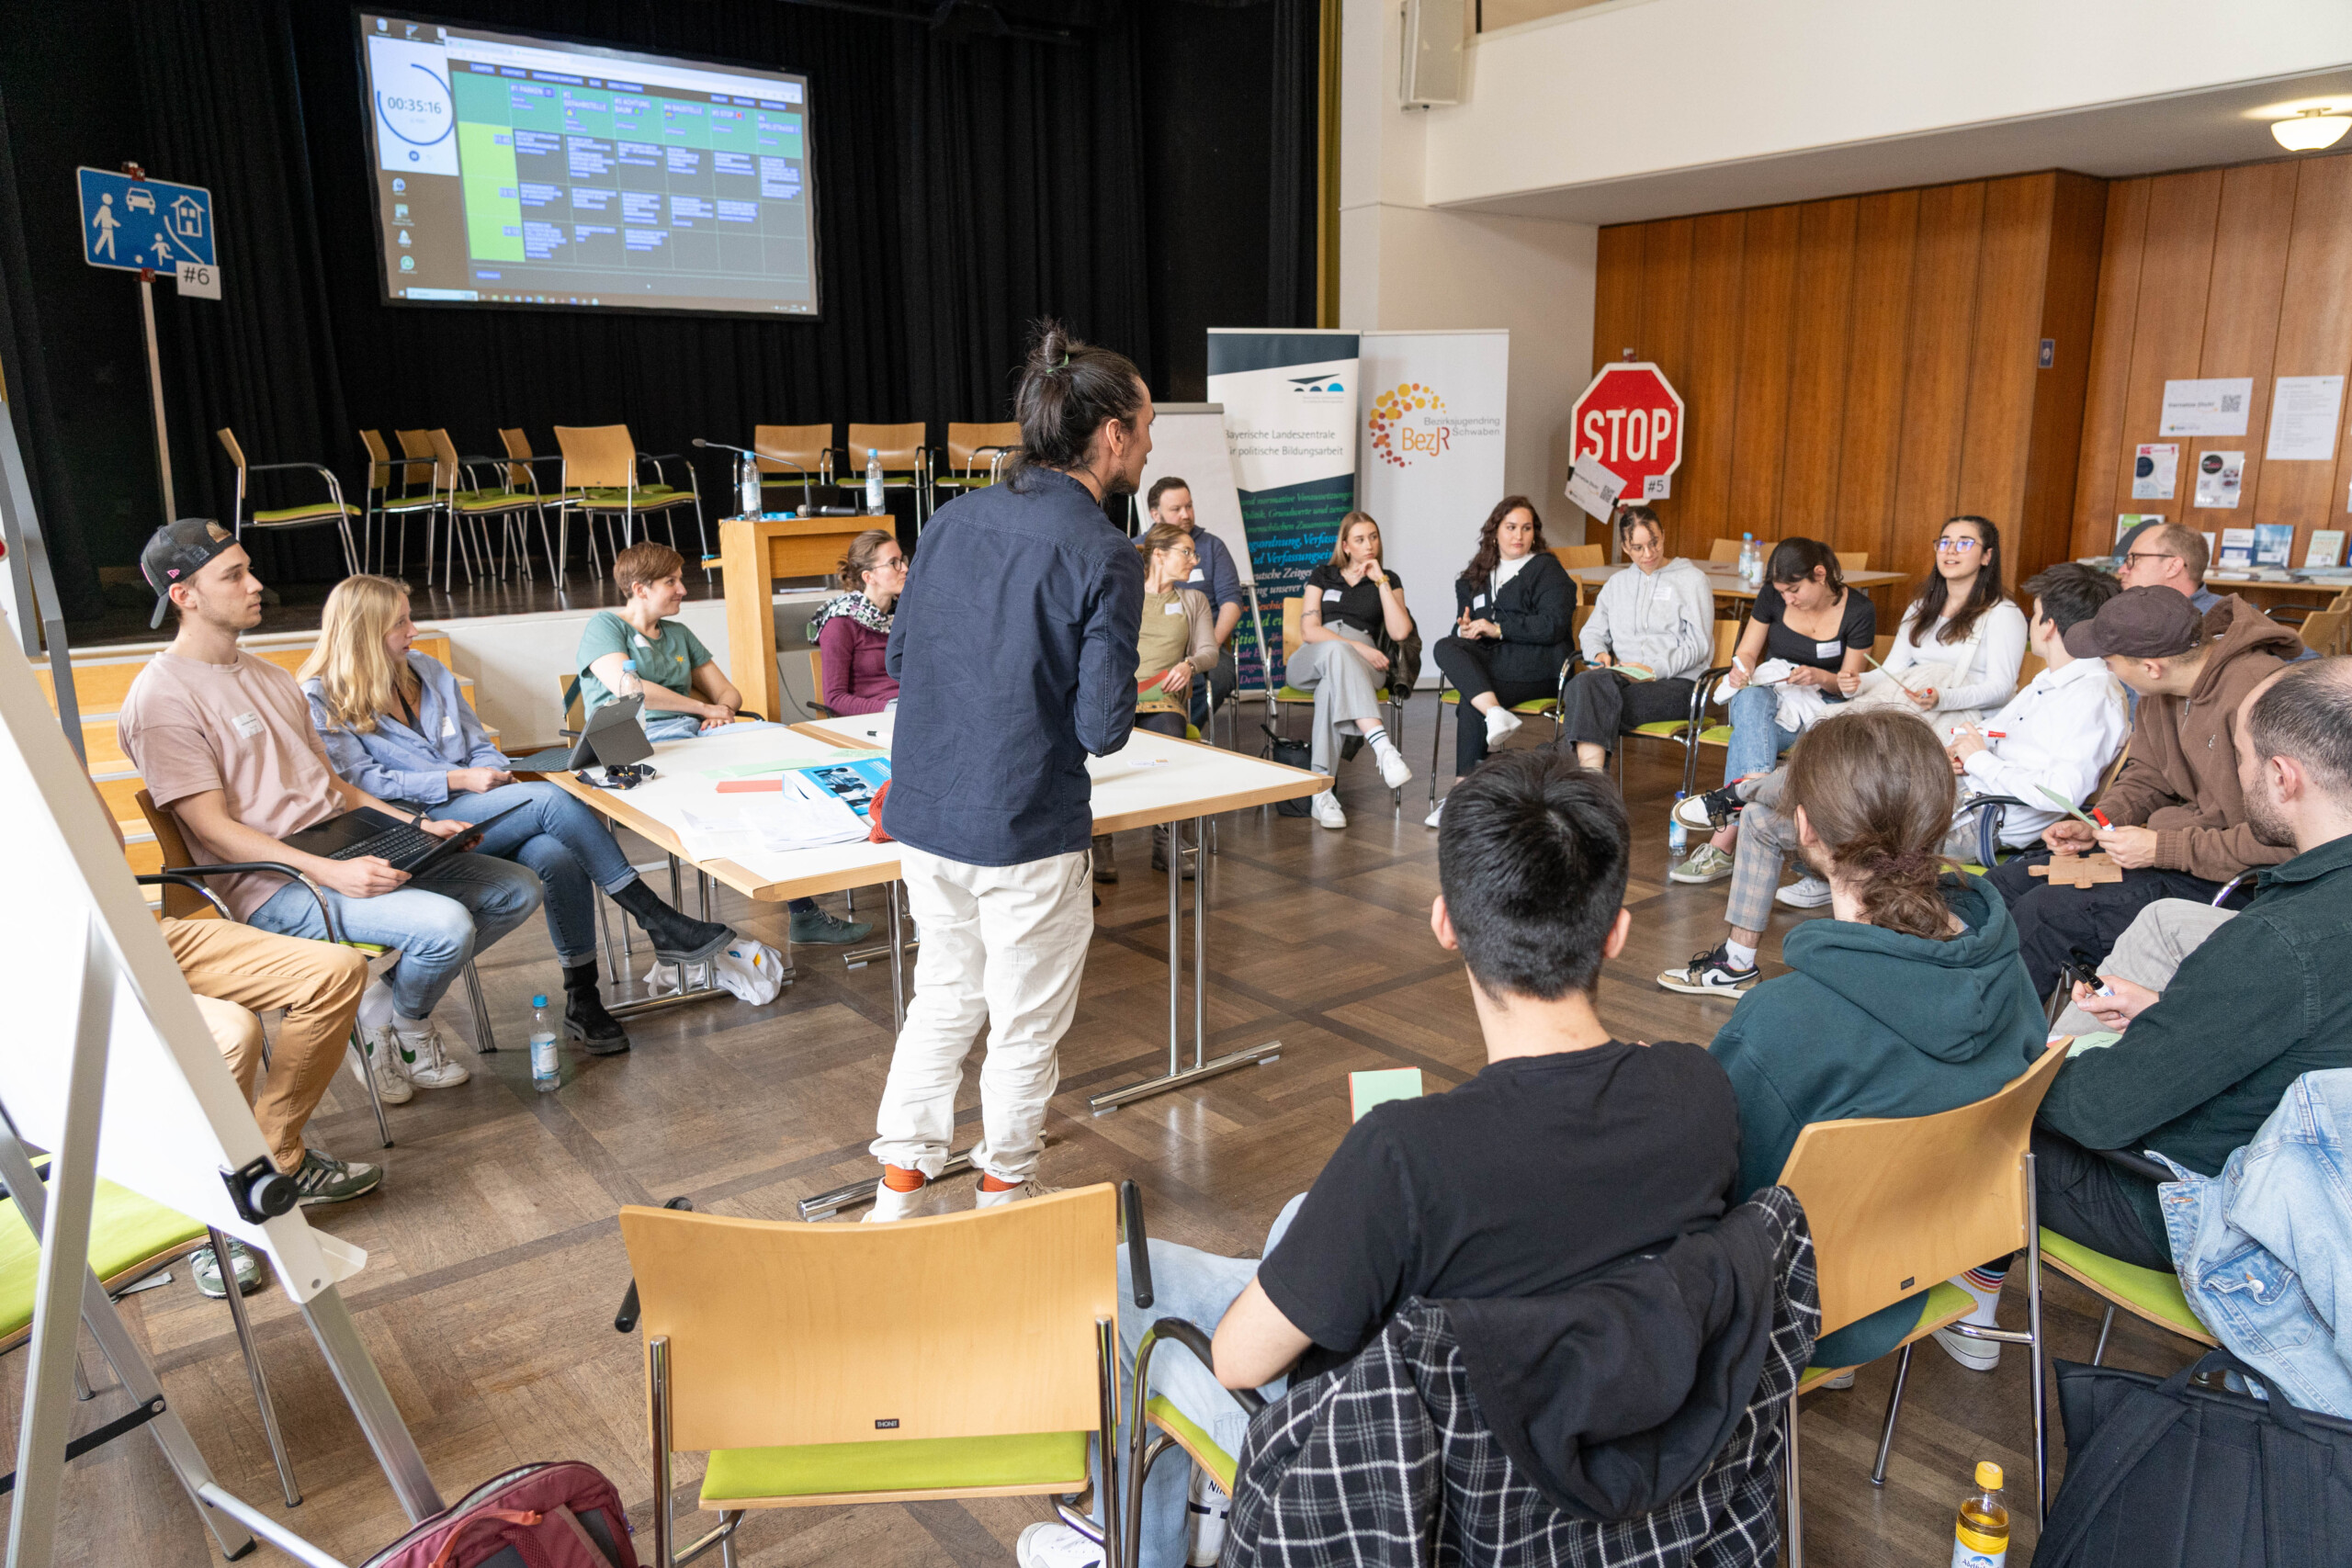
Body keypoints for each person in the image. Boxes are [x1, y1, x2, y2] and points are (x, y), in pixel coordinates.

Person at [1013, 750, 1742, 1568]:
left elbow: (1238, 1360)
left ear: (1444, 924)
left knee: (1122, 1280)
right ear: (1617, 931)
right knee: (1303, 1217)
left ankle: (1139, 1551)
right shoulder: (1700, 1093)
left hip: (1397, 1488)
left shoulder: (1406, 1153)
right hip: (1596, 1456)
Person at [864, 321, 1148, 1221]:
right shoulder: (1104, 553)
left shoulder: (947, 520)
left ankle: (896, 1200)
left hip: (930, 818)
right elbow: (1102, 729)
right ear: (1110, 436)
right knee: (1022, 1026)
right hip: (1025, 826)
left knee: (943, 1001)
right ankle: (1002, 1203)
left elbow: (905, 656)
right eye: (1144, 432)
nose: (1146, 451)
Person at [117, 519, 543, 1109]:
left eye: (249, 569)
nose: (255, 584)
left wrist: (417, 828)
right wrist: (329, 873)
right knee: (444, 926)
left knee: (515, 888)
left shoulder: (269, 677)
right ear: (184, 596)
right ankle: (399, 1026)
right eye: (233, 575)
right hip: (275, 885)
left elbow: (337, 787)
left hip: (343, 844)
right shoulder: (161, 699)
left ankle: (382, 1012)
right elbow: (214, 831)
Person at [1702, 709, 2044, 1373]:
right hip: (1935, 1257)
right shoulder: (2006, 964)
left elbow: (1714, 1193)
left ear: (1805, 829)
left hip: (1808, 1312)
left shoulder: (1780, 1023)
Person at [301, 576, 742, 1056]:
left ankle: (584, 997)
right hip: (409, 828)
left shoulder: (427, 670)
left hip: (475, 810)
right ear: (364, 632)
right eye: (400, 622)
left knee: (556, 853)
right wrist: (457, 781)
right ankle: (656, 919)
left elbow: (481, 746)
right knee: (553, 801)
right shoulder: (321, 697)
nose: (414, 629)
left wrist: (489, 774)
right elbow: (362, 782)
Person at [1662, 564, 2128, 994]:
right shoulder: (2051, 683)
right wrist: (1964, 748)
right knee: (1765, 820)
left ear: (2049, 625)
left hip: (1976, 820)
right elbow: (1994, 730)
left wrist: (1981, 760)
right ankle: (1737, 961)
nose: (2031, 622)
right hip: (1956, 794)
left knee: (1843, 774)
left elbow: (2063, 792)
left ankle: (1736, 793)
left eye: (2036, 613)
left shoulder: (2092, 696)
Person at [2030, 660, 2352, 1279]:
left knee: (1959, 1125)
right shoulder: (2300, 929)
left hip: (2202, 1206)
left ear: (2283, 776)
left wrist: (2014, 1070)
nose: (2238, 776)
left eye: (2243, 759)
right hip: (2308, 1196)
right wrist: (2168, 1016)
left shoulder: (2279, 939)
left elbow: (2100, 1109)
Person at [86, 772, 379, 1283]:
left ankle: (271, 1162)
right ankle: (211, 1224)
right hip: (59, 970)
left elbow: (102, 845)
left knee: (336, 970)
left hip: (135, 932)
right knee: (230, 1032)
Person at [1984, 585, 2301, 996]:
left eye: (2109, 660)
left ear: (2151, 666)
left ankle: (1998, 1038)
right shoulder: (2159, 691)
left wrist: (2160, 849)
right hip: (2176, 850)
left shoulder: (2262, 700)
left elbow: (2286, 843)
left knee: (2049, 912)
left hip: (2244, 881)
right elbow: (2148, 777)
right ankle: (1955, 1000)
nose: (2106, 668)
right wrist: (2097, 821)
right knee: (2004, 883)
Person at [1670, 538, 1875, 885]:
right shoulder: (1771, 597)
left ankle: (1724, 839)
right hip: (1775, 709)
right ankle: (1748, 797)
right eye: (1781, 593)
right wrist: (1742, 669)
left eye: (1794, 590)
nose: (1788, 600)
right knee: (1750, 698)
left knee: (1749, 739)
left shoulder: (1858, 610)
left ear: (1820, 575)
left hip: (1822, 714)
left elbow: (1849, 684)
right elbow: (1748, 652)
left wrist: (1820, 676)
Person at [1424, 495, 1575, 827]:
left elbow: (1553, 625)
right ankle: (1494, 714)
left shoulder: (1546, 569)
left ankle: (1462, 795)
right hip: (1496, 665)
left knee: (1470, 694)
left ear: (1535, 533)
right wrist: (1464, 630)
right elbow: (1462, 625)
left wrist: (1500, 629)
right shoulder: (1475, 577)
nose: (1518, 535)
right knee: (1445, 645)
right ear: (1495, 532)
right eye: (1510, 528)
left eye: (1526, 528)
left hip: (1541, 665)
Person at [1094, 523, 1218, 882]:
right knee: (1098, 747)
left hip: (1164, 697)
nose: (1194, 561)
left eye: (1195, 553)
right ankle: (1100, 841)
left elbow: (1209, 650)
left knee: (1170, 750)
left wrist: (1189, 664)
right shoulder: (1123, 593)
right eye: (1187, 552)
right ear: (1160, 554)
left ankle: (1168, 844)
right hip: (1117, 693)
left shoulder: (1193, 600)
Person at [1557, 502, 1713, 776]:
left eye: (1654, 543)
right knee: (1588, 687)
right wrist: (1598, 654)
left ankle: (1576, 776)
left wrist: (1653, 670)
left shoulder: (1692, 580)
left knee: (1582, 695)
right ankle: (1590, 784)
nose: (1649, 553)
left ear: (1663, 534)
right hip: (1620, 679)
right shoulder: (1617, 585)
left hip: (1676, 684)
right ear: (1625, 547)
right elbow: (1592, 632)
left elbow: (1698, 645)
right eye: (1638, 548)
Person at [1288, 511, 1415, 830]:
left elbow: (1400, 632)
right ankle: (1381, 746)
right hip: (1318, 655)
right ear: (1345, 545)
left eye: (1373, 537)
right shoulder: (1323, 575)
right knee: (1335, 650)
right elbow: (1309, 629)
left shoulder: (1390, 579)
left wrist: (1380, 581)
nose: (1369, 544)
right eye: (1360, 539)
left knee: (1330, 689)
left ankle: (1322, 792)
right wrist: (1357, 647)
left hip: (1364, 668)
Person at [574, 542, 755, 741]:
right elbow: (632, 693)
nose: (683, 590)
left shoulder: (679, 633)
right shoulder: (605, 626)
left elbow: (727, 691)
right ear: (640, 590)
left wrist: (722, 713)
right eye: (671, 582)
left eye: (680, 580)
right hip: (636, 736)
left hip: (694, 729)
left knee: (772, 736)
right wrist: (704, 709)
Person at [1869, 515, 2027, 733]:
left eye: (1964, 543)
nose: (1951, 550)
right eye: (1944, 542)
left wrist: (1943, 698)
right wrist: (1854, 682)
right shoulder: (1919, 608)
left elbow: (2001, 689)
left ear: (1986, 556)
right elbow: (1890, 672)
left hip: (1971, 722)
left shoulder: (2003, 613)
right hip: (1917, 712)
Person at [1143, 477, 1243, 736]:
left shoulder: (1212, 547)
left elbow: (1232, 601)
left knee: (1215, 676)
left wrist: (1202, 648)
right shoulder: (1134, 551)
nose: (1186, 515)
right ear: (1156, 514)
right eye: (1176, 509)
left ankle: (1187, 730)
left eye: (1189, 506)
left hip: (1202, 642)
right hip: (1134, 678)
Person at [806, 527, 904, 716]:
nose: (905, 569)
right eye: (894, 563)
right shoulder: (840, 624)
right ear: (869, 577)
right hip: (878, 717)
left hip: (914, 707)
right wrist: (891, 710)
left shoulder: (905, 615)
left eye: (902, 560)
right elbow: (835, 700)